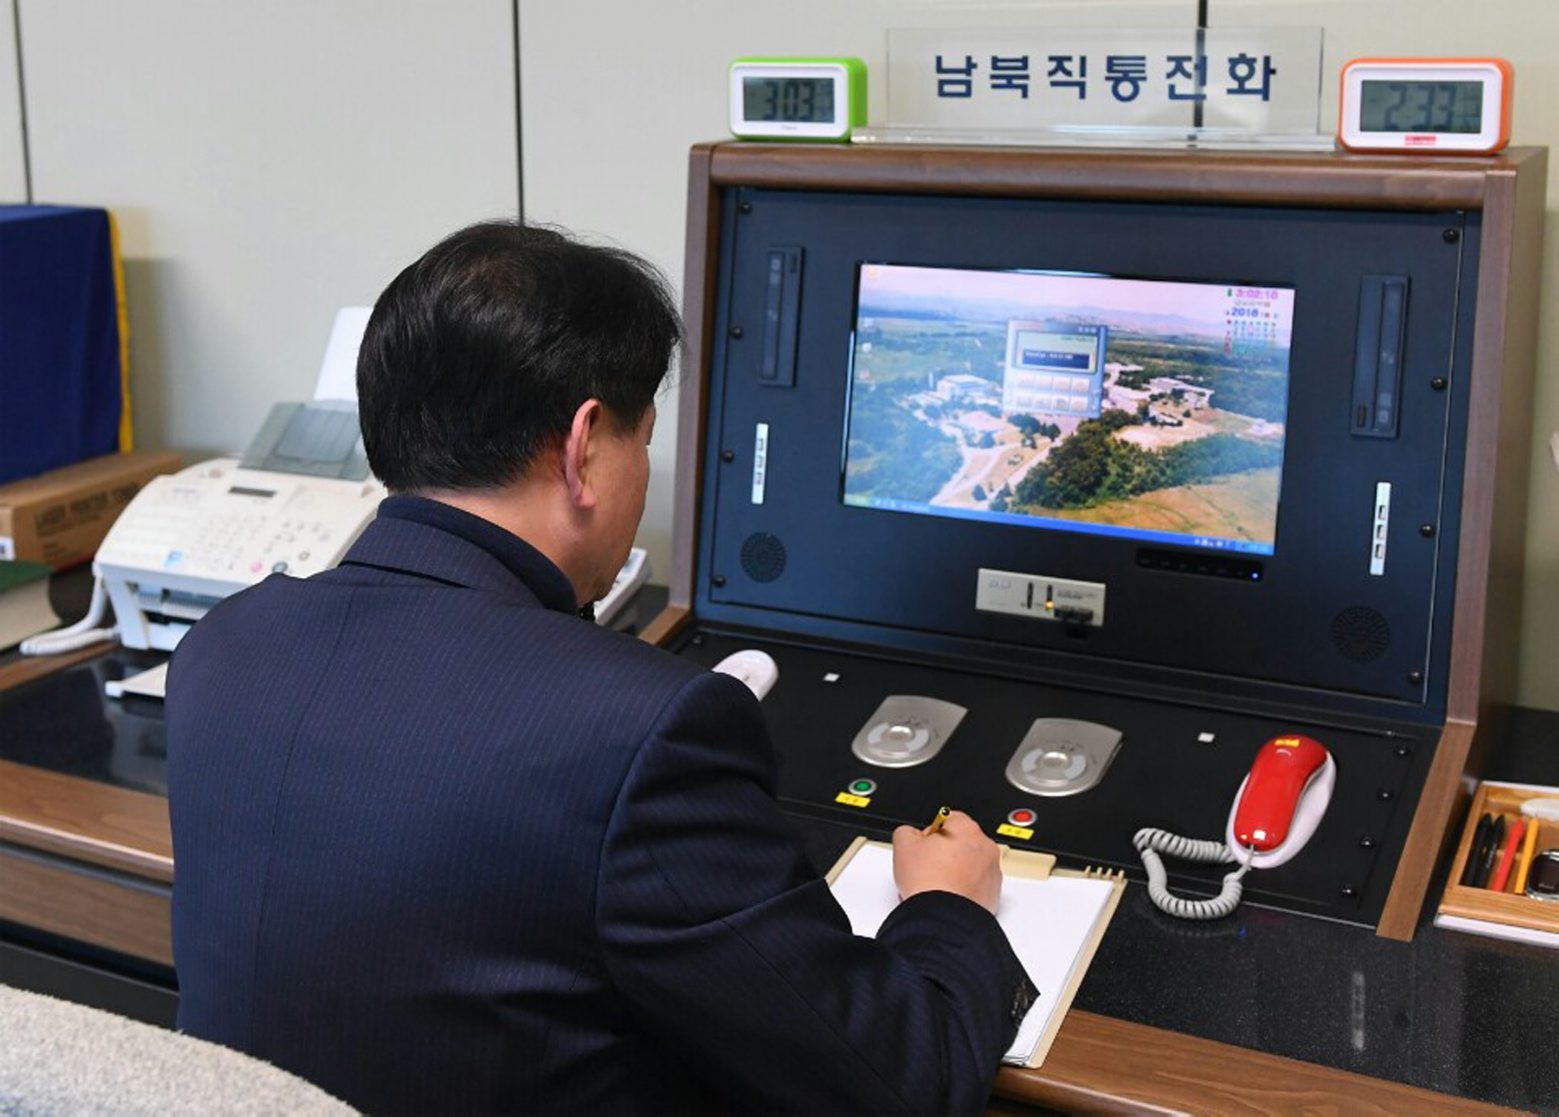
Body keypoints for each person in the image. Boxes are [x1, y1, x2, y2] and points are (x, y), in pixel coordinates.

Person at [166, 221, 1034, 1114]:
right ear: (583, 447)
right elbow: (902, 1082)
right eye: (640, 440)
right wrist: (949, 908)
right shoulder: (641, 733)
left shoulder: (223, 647)